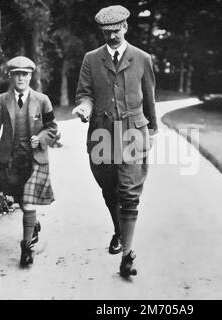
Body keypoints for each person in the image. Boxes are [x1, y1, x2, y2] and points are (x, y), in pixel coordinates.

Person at [73, 5, 158, 278]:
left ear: (126, 28)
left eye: (116, 30)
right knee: (109, 190)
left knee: (129, 192)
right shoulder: (91, 59)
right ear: (102, 31)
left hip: (134, 131)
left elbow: (150, 97)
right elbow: (84, 94)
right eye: (107, 32)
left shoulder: (142, 58)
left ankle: (127, 255)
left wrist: (153, 130)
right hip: (101, 133)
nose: (112, 36)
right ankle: (119, 231)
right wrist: (84, 109)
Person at [0, 56, 58, 268]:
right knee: (20, 201)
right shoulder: (2, 100)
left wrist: (41, 138)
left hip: (36, 161)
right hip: (12, 162)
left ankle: (27, 249)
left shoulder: (42, 100)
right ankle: (32, 224)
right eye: (17, 74)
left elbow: (52, 128)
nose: (21, 78)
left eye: (24, 74)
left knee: (27, 203)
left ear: (30, 76)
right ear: (11, 76)